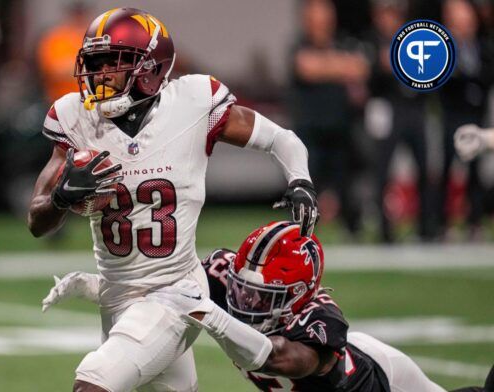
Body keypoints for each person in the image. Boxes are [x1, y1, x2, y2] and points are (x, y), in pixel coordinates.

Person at [27, 7, 318, 392]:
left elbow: (282, 139)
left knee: (92, 385)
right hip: (118, 298)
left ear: (149, 69)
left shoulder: (193, 104)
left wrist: (300, 181)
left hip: (175, 292)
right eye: (94, 63)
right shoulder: (75, 117)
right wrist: (62, 197)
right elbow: (36, 220)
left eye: (111, 63)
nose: (98, 75)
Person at [44, 221, 494, 391]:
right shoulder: (226, 278)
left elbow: (280, 358)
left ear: (297, 296)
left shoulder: (321, 321)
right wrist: (98, 287)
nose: (245, 300)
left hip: (384, 383)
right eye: (241, 287)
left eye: (263, 297)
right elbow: (170, 292)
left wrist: (214, 316)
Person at [289, 0, 369, 238]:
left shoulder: (344, 42)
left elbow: (361, 68)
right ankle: (297, 233)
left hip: (340, 127)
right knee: (304, 187)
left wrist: (328, 65)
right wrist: (342, 66)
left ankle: (353, 229)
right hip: (309, 130)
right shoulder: (297, 45)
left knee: (347, 186)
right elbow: (306, 67)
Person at [364, 0, 436, 243]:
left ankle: (427, 226)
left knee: (424, 168)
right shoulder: (371, 42)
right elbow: (371, 75)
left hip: (414, 109)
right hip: (388, 108)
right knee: (383, 171)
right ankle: (385, 229)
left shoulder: (413, 40)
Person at [437, 0, 494, 240]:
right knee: (447, 169)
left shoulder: (483, 47)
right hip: (453, 116)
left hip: (477, 116)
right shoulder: (443, 50)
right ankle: (442, 223)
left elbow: (485, 76)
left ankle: (474, 222)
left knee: (475, 174)